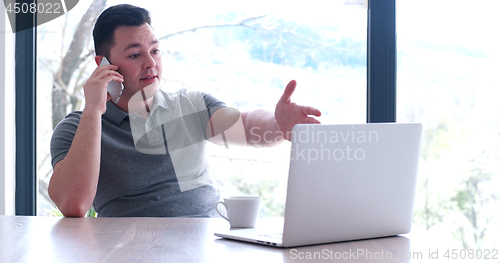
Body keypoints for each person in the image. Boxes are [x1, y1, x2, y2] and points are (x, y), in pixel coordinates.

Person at [48, 4, 321, 217]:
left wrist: (278, 125)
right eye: (135, 55)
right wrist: (94, 110)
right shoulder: (78, 128)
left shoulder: (190, 105)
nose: (150, 63)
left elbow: (246, 127)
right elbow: (74, 205)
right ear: (103, 64)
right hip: (130, 249)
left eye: (155, 51)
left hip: (207, 242)